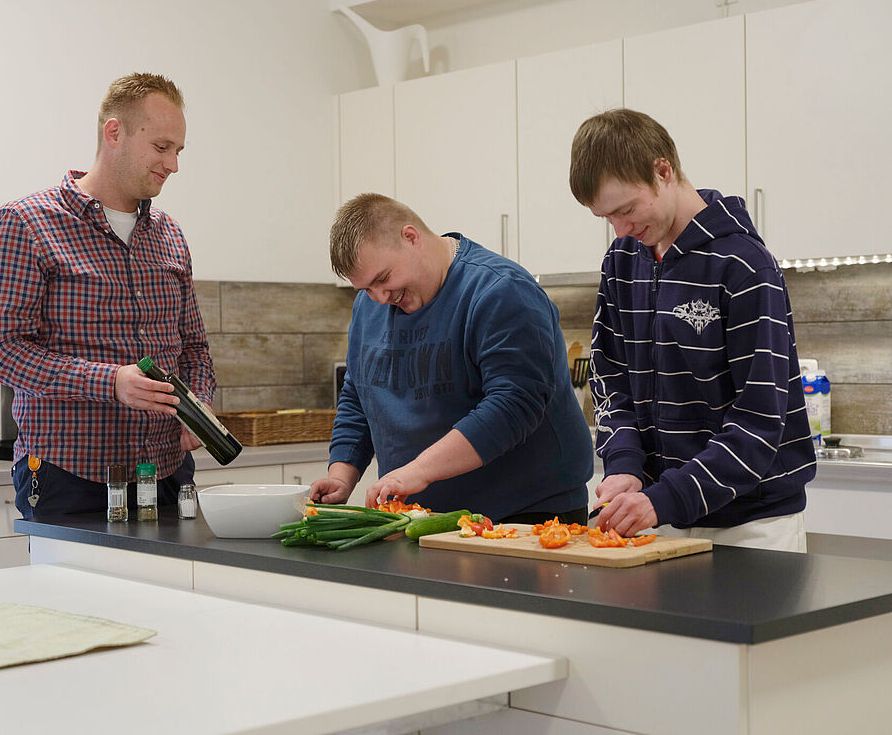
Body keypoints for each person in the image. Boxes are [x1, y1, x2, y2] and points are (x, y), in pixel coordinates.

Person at [569, 108, 815, 551]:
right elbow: (611, 382)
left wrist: (664, 499)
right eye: (607, 218)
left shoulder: (743, 266)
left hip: (750, 527)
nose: (620, 229)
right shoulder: (623, 262)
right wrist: (623, 464)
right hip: (658, 517)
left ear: (662, 170)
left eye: (625, 209)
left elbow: (759, 423)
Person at [0, 72, 214, 518]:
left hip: (166, 474)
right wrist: (111, 382)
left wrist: (197, 408)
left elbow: (196, 348)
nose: (173, 164)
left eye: (178, 151)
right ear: (114, 132)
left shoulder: (171, 236)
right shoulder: (26, 224)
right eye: (162, 147)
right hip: (68, 477)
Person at [310, 193, 594, 524]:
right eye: (366, 289)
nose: (380, 298)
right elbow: (360, 396)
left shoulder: (501, 291)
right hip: (419, 519)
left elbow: (513, 405)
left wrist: (419, 471)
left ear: (411, 237)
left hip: (526, 518)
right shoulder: (371, 305)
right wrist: (342, 475)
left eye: (383, 279)